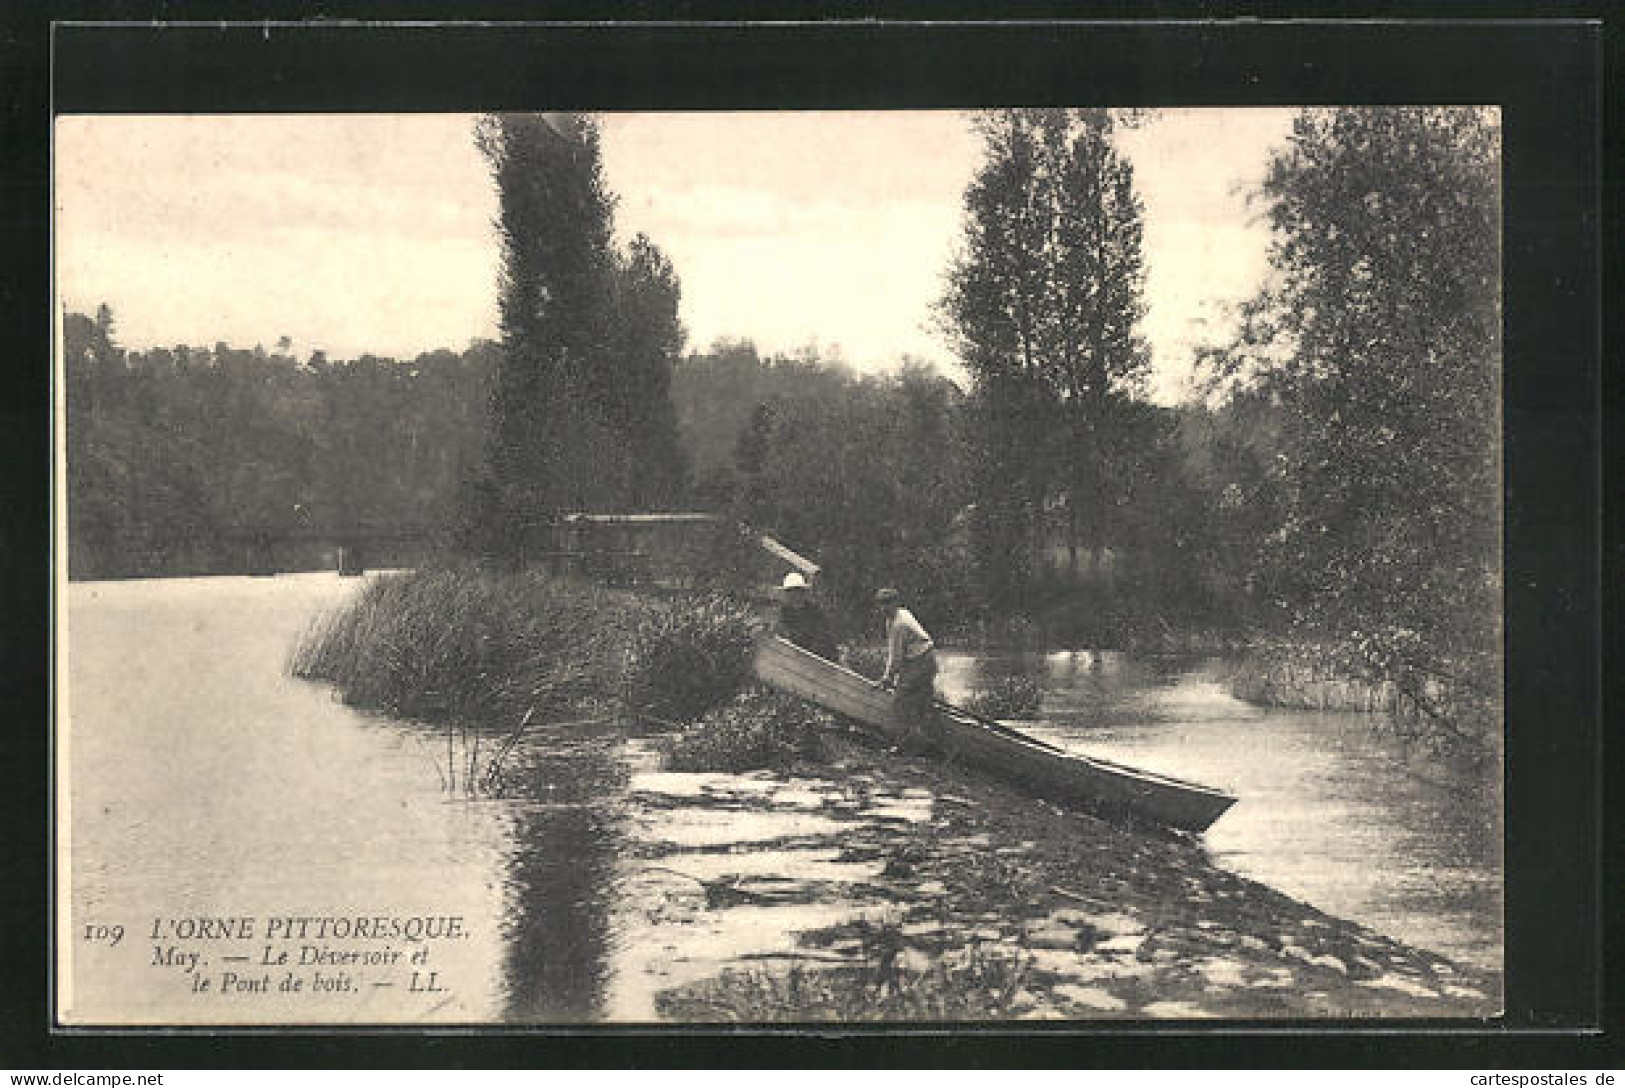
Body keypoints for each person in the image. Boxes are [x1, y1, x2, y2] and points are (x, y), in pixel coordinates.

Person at [875, 587, 939, 747]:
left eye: (888, 603)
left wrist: (887, 677)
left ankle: (903, 744)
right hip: (921, 660)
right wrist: (888, 676)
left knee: (900, 701)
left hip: (922, 661)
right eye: (881, 604)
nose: (884, 608)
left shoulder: (899, 623)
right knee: (922, 703)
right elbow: (894, 652)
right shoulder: (897, 615)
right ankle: (924, 741)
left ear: (895, 603)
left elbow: (896, 657)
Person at [778, 571, 839, 660]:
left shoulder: (814, 612)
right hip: (793, 656)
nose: (794, 595)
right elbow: (783, 633)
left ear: (802, 592)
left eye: (797, 591)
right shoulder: (784, 613)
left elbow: (824, 636)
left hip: (817, 657)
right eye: (790, 591)